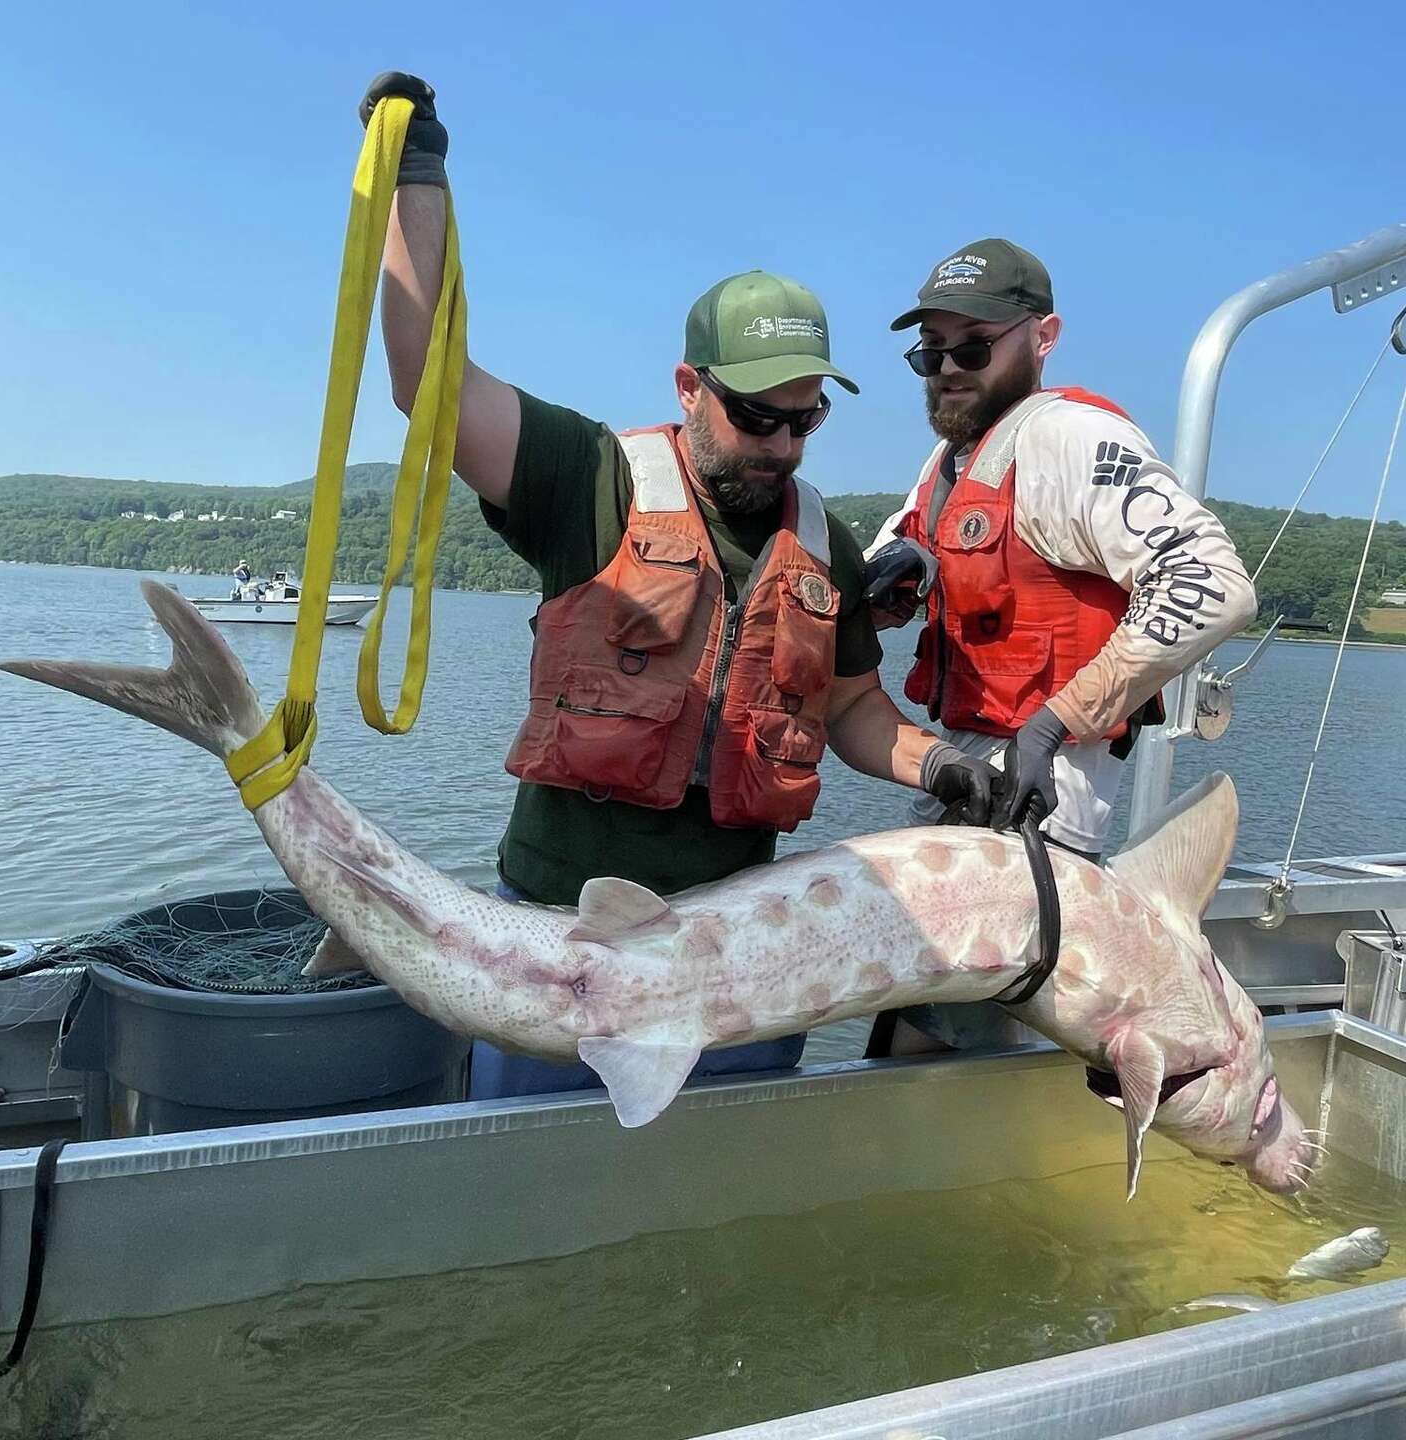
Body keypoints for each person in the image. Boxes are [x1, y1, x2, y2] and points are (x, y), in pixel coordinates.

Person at [364, 72, 998, 1100]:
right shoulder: (591, 480)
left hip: (741, 958)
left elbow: (849, 707)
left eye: (807, 421)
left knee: (709, 1204)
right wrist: (419, 180)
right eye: (758, 417)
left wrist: (940, 767)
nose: (782, 446)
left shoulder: (818, 539)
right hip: (566, 948)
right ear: (689, 388)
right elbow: (421, 382)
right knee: (531, 1193)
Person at [861, 237, 1257, 1058]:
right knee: (908, 1044)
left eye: (972, 346)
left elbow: (1213, 580)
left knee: (949, 1061)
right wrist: (894, 574)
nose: (947, 368)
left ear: (1043, 338)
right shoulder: (951, 461)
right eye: (930, 352)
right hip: (957, 797)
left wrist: (1054, 722)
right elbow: (896, 554)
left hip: (1035, 817)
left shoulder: (1069, 440)